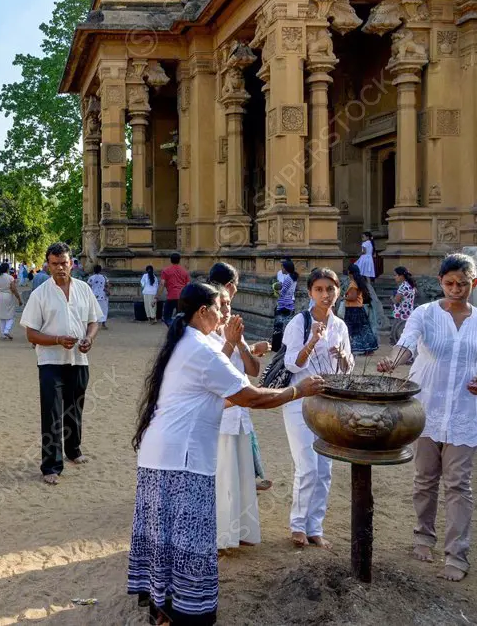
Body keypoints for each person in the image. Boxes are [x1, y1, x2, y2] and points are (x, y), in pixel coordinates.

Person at [127, 281, 324, 625]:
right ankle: (184, 614)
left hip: (161, 457)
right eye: (218, 308)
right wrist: (298, 390)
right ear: (202, 312)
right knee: (189, 542)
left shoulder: (187, 343)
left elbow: (221, 395)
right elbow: (251, 396)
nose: (222, 314)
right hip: (181, 461)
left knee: (166, 539)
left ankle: (163, 609)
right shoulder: (201, 349)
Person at [377, 253, 477, 582]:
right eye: (449, 283)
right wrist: (392, 361)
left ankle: (457, 553)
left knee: (459, 484)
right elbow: (406, 344)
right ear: (440, 283)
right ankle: (423, 536)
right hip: (426, 408)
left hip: (463, 412)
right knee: (426, 478)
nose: (456, 289)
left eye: (462, 284)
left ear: (475, 283)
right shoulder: (425, 313)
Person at [282, 267, 354, 549]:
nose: (325, 295)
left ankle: (315, 526)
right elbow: (291, 363)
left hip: (328, 403)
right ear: (310, 293)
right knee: (307, 467)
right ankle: (298, 525)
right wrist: (312, 340)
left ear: (338, 291)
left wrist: (344, 357)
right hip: (300, 401)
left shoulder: (340, 326)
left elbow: (347, 370)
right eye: (319, 290)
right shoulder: (299, 323)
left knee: (324, 469)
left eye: (330, 289)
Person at [20, 242, 100, 485]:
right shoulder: (40, 294)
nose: (60, 268)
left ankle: (73, 450)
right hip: (50, 361)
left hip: (78, 359)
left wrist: (89, 338)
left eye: (64, 263)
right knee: (52, 413)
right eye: (54, 264)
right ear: (47, 264)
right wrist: (55, 340)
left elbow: (93, 321)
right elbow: (31, 334)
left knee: (75, 409)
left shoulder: (84, 289)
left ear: (71, 263)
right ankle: (51, 466)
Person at [206, 263, 268, 550]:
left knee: (243, 476)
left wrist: (242, 344)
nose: (228, 308)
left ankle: (242, 531)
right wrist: (230, 342)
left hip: (240, 416)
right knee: (222, 479)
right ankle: (221, 537)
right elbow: (214, 371)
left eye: (229, 303)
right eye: (223, 304)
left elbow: (254, 371)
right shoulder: (206, 338)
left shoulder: (234, 333)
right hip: (219, 419)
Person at [344, 263, 378, 355]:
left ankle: (351, 347)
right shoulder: (358, 282)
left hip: (353, 309)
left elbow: (353, 297)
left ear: (350, 273)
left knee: (351, 329)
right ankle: (368, 348)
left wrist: (343, 297)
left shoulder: (353, 284)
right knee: (363, 329)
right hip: (358, 308)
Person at [272, 259, 299, 351]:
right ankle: (287, 347)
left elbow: (282, 293)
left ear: (287, 268)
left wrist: (275, 289)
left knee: (278, 327)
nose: (282, 269)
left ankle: (276, 348)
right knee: (288, 327)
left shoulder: (288, 278)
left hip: (283, 305)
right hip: (290, 305)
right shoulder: (293, 277)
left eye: (283, 267)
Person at [0, 262, 23, 340]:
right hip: (8, 296)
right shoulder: (10, 278)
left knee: (1, 316)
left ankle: (3, 334)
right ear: (7, 269)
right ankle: (6, 330)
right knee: (10, 315)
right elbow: (13, 289)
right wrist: (19, 298)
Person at [390, 265, 417, 345]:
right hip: (408, 313)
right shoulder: (411, 285)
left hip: (401, 315)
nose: (394, 277)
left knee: (395, 337)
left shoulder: (403, 286)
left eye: (395, 275)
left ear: (401, 276)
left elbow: (396, 300)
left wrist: (392, 298)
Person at [160, 252, 190, 325]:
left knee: (166, 317)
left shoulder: (165, 271)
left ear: (171, 260)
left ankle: (171, 327)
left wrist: (156, 297)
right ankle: (178, 330)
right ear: (179, 260)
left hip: (171, 297)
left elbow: (162, 284)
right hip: (181, 297)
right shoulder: (185, 272)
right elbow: (188, 285)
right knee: (181, 316)